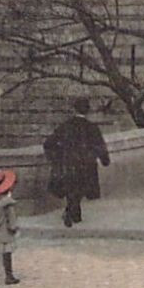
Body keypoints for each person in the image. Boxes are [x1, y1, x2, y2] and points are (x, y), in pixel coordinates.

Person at [42, 97, 110, 228]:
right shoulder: (92, 127)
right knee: (80, 189)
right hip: (87, 165)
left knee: (72, 189)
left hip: (69, 164)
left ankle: (71, 213)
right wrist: (104, 160)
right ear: (88, 111)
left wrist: (57, 159)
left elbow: (49, 144)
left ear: (74, 109)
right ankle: (73, 214)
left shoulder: (65, 126)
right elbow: (100, 146)